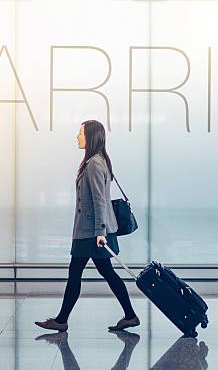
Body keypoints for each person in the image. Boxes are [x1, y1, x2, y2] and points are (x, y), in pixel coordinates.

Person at [35, 120, 140, 332]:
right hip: (92, 232)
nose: (77, 136)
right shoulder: (98, 161)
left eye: (80, 133)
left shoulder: (94, 164)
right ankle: (128, 315)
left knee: (83, 274)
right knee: (101, 273)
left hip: (93, 233)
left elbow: (100, 200)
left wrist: (100, 233)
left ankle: (63, 320)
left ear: (91, 137)